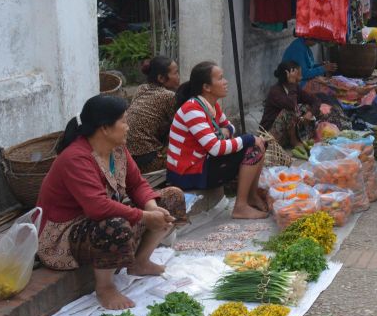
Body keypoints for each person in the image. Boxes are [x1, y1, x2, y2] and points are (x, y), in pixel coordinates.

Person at [37, 94, 187, 310]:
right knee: (114, 224)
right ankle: (105, 287)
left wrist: (153, 208)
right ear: (105, 128)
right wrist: (145, 217)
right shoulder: (76, 158)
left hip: (96, 219)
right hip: (65, 234)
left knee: (172, 197)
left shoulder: (117, 149)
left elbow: (137, 184)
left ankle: (140, 262)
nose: (128, 126)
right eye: (123, 121)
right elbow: (97, 207)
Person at [166, 61, 268, 219]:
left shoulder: (210, 106)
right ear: (207, 87)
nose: (225, 82)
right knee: (253, 147)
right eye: (220, 78)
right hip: (188, 172)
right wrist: (247, 138)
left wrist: (225, 132)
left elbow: (229, 126)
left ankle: (251, 196)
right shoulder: (192, 109)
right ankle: (240, 207)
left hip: (202, 163)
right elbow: (215, 148)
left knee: (259, 144)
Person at [125, 56, 180, 173]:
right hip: (147, 160)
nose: (178, 76)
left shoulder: (141, 88)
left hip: (128, 157)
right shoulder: (168, 96)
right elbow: (181, 125)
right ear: (161, 78)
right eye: (176, 73)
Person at [260, 61, 321, 151]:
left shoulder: (295, 88)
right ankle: (294, 141)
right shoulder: (275, 91)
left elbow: (315, 100)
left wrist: (310, 113)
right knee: (289, 111)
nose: (301, 76)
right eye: (298, 73)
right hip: (270, 135)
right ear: (288, 75)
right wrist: (292, 83)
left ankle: (298, 138)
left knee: (307, 107)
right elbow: (291, 105)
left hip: (286, 133)